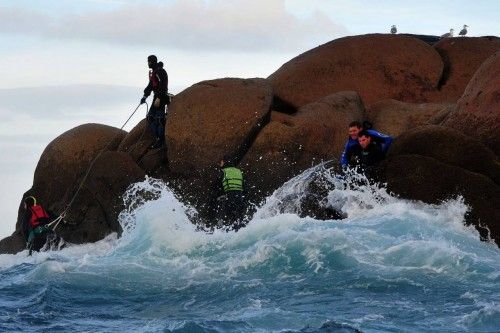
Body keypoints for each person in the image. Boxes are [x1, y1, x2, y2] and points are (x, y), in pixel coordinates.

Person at [140, 55, 169, 149]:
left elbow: (163, 84)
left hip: (161, 97)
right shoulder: (154, 72)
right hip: (156, 97)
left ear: (152, 61)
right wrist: (144, 96)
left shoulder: (160, 71)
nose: (148, 63)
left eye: (149, 61)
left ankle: (161, 140)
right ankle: (158, 138)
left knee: (159, 119)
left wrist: (159, 98)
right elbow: (151, 85)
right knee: (150, 117)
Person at [218, 156, 246, 227]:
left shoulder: (223, 171)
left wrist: (221, 195)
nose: (219, 164)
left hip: (230, 195)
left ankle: (220, 227)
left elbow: (218, 185)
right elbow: (244, 185)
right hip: (240, 196)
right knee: (239, 216)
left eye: (221, 162)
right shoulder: (239, 171)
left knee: (227, 213)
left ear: (224, 162)